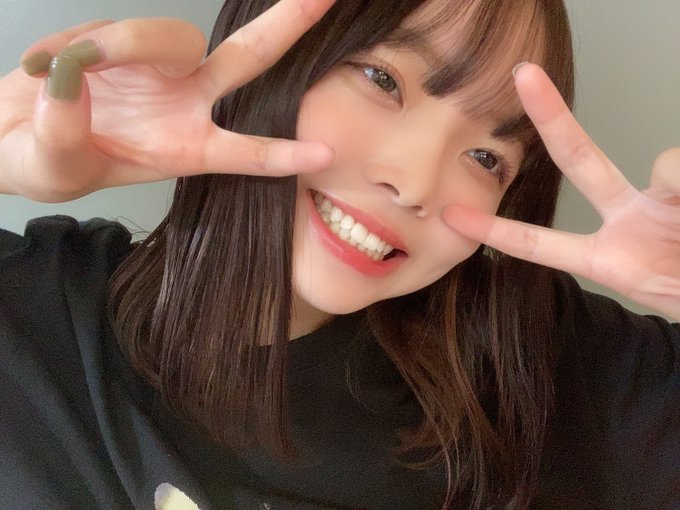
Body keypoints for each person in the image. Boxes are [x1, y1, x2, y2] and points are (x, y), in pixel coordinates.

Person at [0, 0, 677, 508]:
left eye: (486, 157)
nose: (416, 183)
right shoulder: (35, 310)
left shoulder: (531, 368)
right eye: (383, 80)